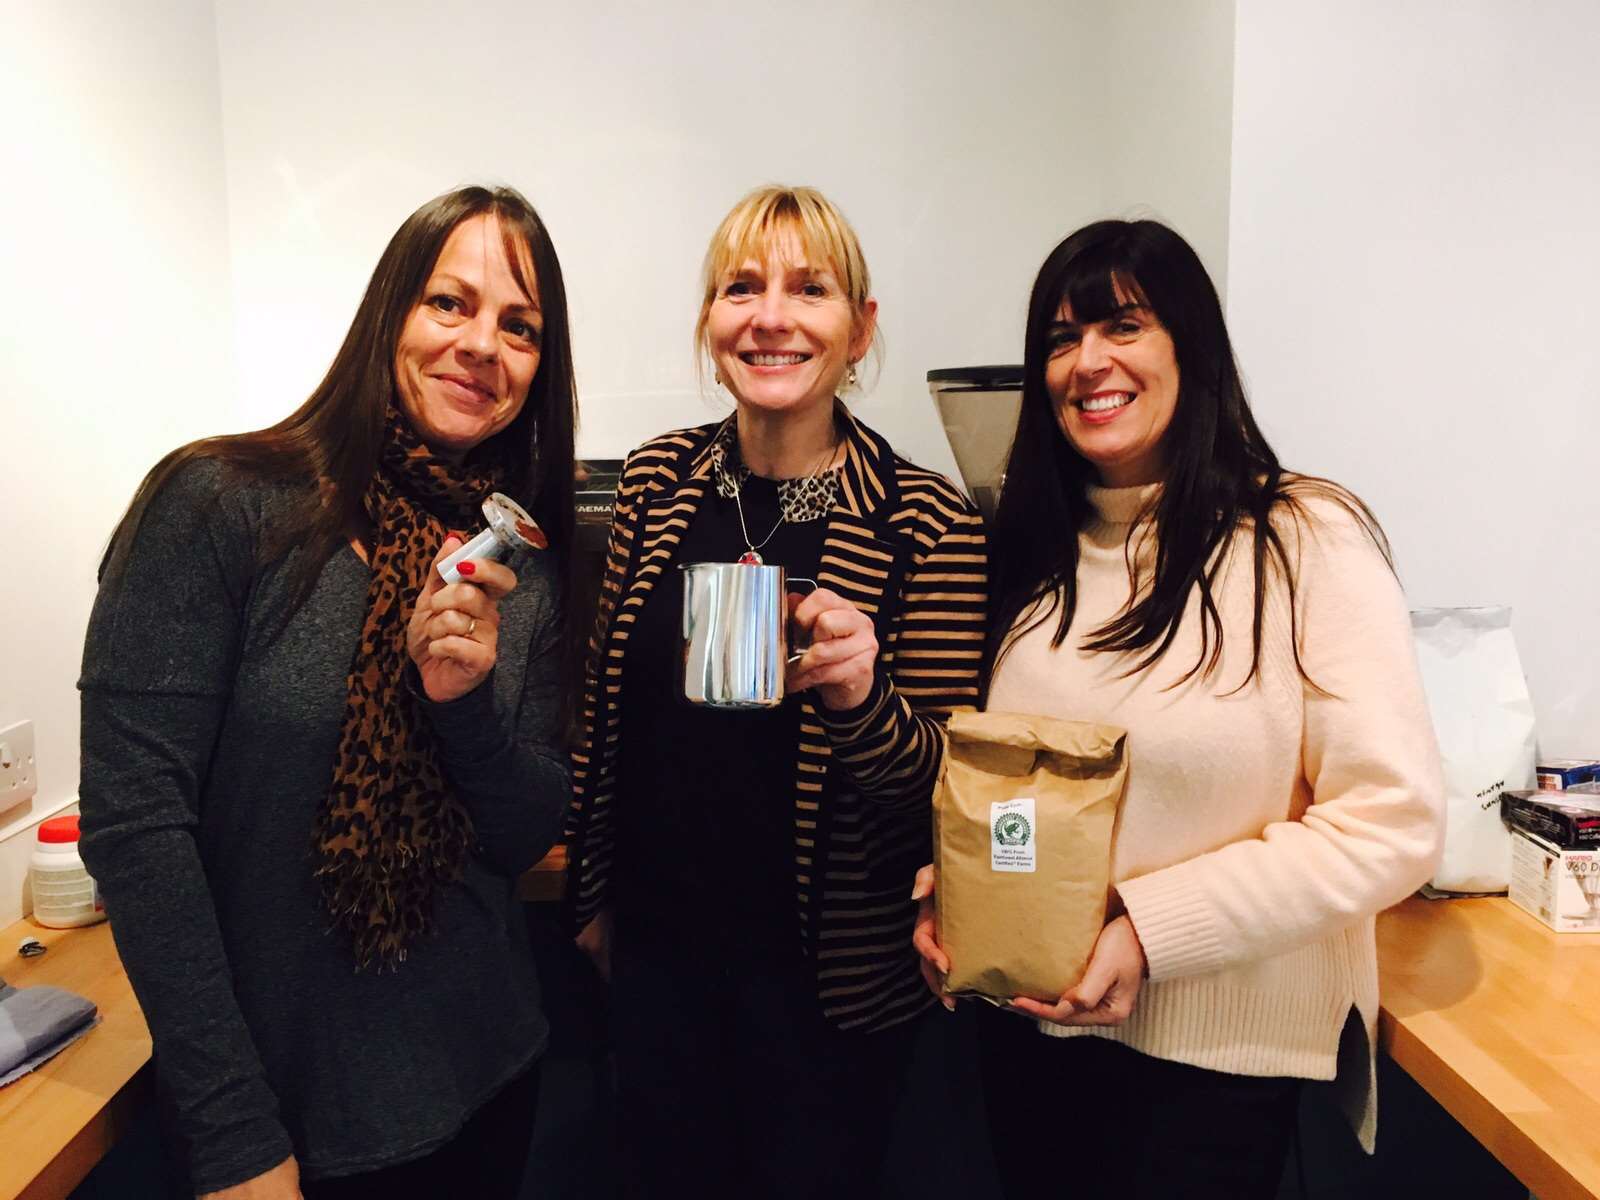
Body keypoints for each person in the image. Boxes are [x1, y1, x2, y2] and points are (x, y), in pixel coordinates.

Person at [912, 219, 1445, 1198]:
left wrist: (1149, 933)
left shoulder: (1300, 541)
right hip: (1028, 1036)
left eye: (1121, 325)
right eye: (1060, 340)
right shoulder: (1034, 553)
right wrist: (950, 889)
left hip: (1210, 1066)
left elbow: (1392, 823)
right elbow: (1014, 784)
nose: (1087, 362)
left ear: (1189, 345)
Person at [78, 185, 577, 1199]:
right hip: (282, 1120)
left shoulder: (517, 565)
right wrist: (232, 1136)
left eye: (519, 325)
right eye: (450, 303)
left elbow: (525, 833)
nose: (483, 344)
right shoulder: (223, 501)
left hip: (490, 1078)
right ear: (389, 313)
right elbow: (137, 824)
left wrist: (461, 703)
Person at [562, 184, 987, 1198]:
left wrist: (859, 699)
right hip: (657, 960)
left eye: (810, 288)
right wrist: (589, 895)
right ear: (711, 321)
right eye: (739, 287)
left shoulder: (925, 521)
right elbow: (599, 707)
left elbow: (947, 786)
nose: (770, 316)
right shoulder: (656, 483)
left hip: (828, 986)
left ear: (859, 327)